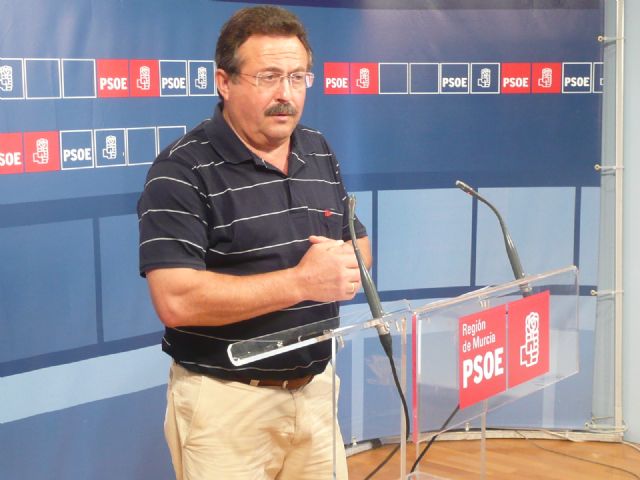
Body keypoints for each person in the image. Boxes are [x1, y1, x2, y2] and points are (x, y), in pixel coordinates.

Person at [137, 5, 371, 480]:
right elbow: (176, 300)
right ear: (224, 82)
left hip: (316, 393)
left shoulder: (318, 149)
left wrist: (344, 266)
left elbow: (358, 247)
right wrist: (302, 282)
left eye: (298, 77)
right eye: (268, 77)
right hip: (226, 407)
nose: (286, 94)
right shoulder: (180, 171)